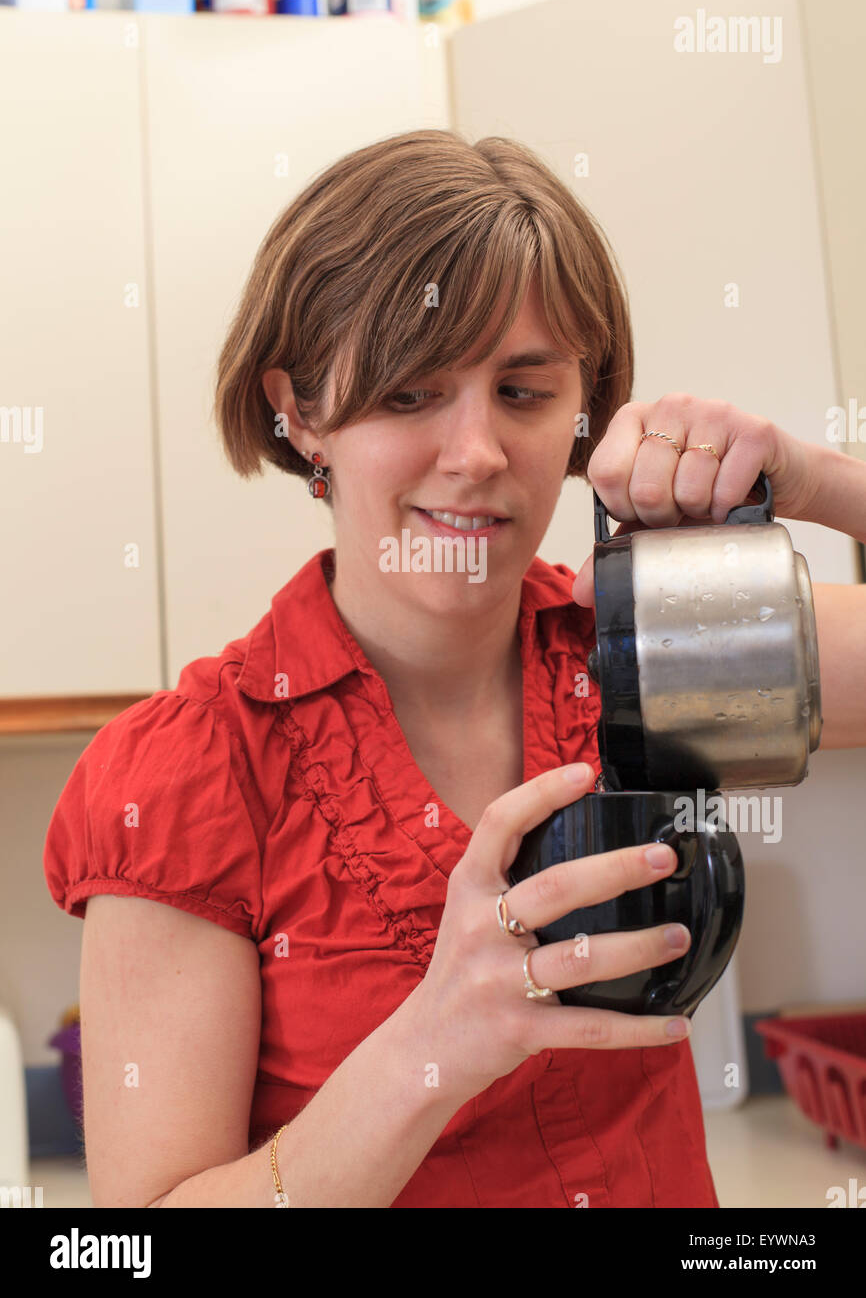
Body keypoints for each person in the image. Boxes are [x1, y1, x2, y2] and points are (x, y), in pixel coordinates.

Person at [43, 129, 866, 1210]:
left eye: (522, 394)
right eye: (409, 392)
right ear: (298, 411)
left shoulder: (657, 644)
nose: (476, 451)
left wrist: (811, 477)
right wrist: (428, 1046)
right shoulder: (186, 773)